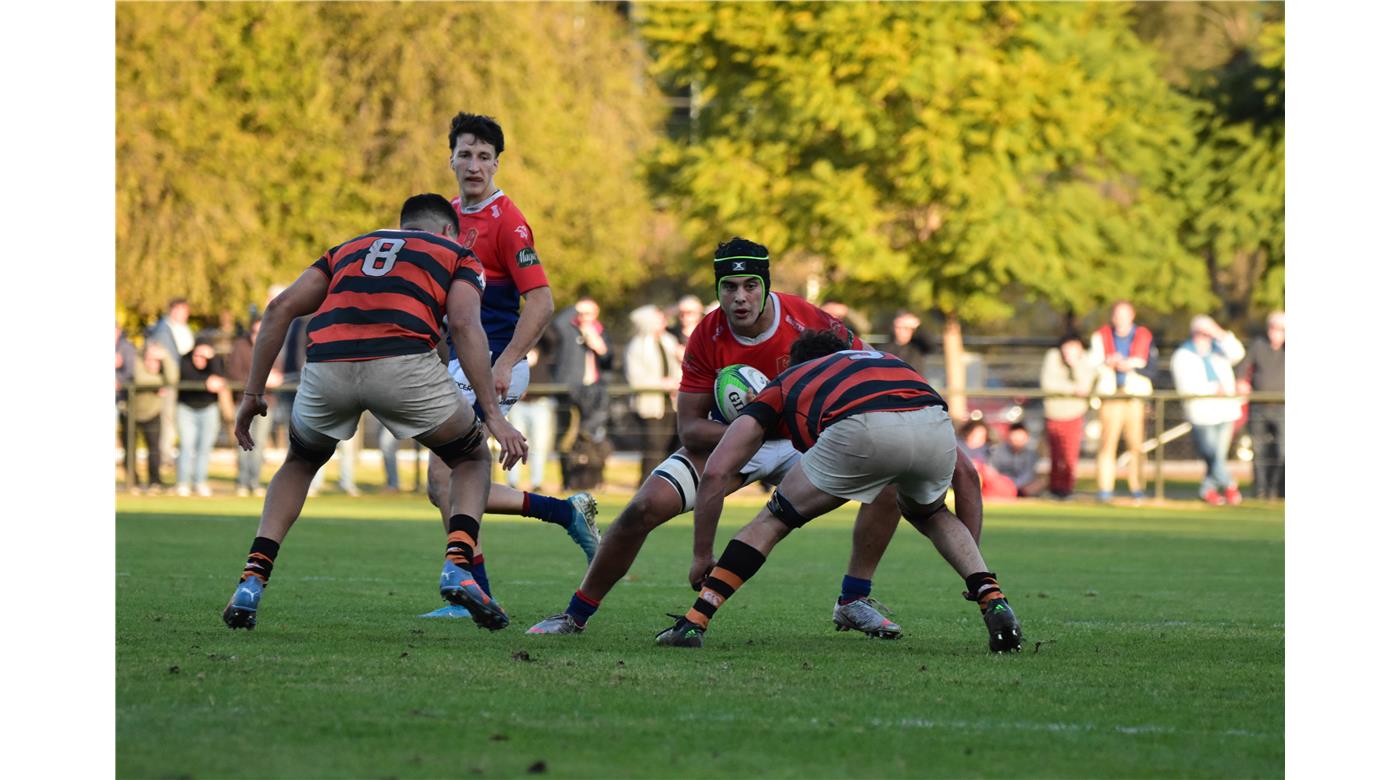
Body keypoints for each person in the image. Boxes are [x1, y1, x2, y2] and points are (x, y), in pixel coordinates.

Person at [527, 238, 910, 639]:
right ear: (717, 289)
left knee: (889, 482)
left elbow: (868, 361)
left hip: (800, 441)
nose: (740, 297)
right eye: (729, 286)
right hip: (736, 439)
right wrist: (750, 426)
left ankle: (853, 600)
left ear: (765, 285)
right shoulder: (706, 335)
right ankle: (575, 615)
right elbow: (690, 429)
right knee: (640, 509)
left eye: (750, 285)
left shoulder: (804, 317)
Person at [222, 193, 527, 632]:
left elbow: (279, 309)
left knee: (300, 463)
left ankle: (252, 579)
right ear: (448, 231)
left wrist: (251, 394)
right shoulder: (458, 255)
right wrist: (494, 415)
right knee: (471, 457)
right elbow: (463, 324)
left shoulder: (347, 249)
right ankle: (458, 565)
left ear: (403, 226)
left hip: (327, 363)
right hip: (402, 363)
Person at [653, 330, 1022, 652]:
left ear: (793, 365)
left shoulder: (790, 379)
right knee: (932, 514)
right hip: (932, 421)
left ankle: (694, 621)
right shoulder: (889, 362)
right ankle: (993, 597)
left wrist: (702, 554)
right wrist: (974, 566)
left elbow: (717, 470)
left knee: (773, 520)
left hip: (860, 428)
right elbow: (969, 476)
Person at [420, 113, 599, 621]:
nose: (473, 165)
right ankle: (559, 517)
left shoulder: (507, 220)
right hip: (460, 364)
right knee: (443, 485)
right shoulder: (448, 217)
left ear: (496, 163)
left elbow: (541, 301)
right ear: (450, 159)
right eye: (465, 154)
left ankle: (472, 591)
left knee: (443, 475)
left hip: (493, 362)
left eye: (483, 156)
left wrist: (506, 362)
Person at [1170, 315, 1246, 506]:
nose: (1206, 337)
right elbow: (1185, 386)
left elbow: (1238, 352)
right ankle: (1230, 485)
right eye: (1202, 333)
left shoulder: (1219, 351)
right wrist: (1213, 389)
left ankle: (1207, 490)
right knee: (1212, 455)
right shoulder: (1182, 355)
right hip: (1202, 413)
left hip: (1225, 411)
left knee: (1218, 456)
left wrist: (1219, 332)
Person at [1088, 300, 1154, 502]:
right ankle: (1105, 490)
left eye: (1125, 314)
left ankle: (1137, 488)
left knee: (1136, 445)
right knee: (1107, 444)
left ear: (1132, 315)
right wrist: (1109, 364)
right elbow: (1093, 363)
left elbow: (1151, 367)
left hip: (1134, 396)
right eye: (1117, 314)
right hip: (1110, 395)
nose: (1121, 319)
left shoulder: (1143, 336)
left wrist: (1130, 366)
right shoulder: (1101, 336)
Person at [624, 304, 682, 483]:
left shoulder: (669, 341)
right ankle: (647, 485)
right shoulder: (637, 346)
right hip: (650, 404)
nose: (663, 321)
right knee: (653, 447)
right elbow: (635, 379)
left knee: (670, 446)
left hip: (671, 403)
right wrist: (662, 384)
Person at [227, 317, 284, 496]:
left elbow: (278, 375)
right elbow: (234, 375)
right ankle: (242, 482)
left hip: (267, 403)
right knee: (243, 442)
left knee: (259, 444)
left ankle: (254, 481)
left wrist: (273, 381)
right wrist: (263, 382)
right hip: (244, 402)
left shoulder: (273, 346)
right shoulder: (240, 346)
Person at [1039, 334, 1095, 498]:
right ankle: (1054, 488)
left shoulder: (1084, 360)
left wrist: (1075, 365)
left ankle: (1067, 488)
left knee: (1070, 454)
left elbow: (1085, 386)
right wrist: (1071, 390)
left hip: (1074, 413)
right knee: (1055, 454)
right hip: (1054, 412)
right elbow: (1048, 384)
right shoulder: (1052, 357)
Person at [1237, 311, 1285, 499]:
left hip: (1282, 407)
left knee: (1282, 450)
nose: (1276, 333)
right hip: (1260, 406)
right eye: (1274, 329)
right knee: (1259, 451)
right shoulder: (1258, 345)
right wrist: (1241, 381)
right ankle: (1260, 490)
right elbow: (1243, 367)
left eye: (1281, 330)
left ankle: (1277, 490)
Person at [175, 338, 227, 497]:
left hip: (209, 408)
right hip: (186, 408)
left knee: (204, 447)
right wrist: (206, 382)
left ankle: (200, 482)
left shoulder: (216, 361)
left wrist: (212, 360)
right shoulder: (184, 359)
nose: (200, 359)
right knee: (186, 445)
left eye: (205, 357)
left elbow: (220, 377)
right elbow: (187, 377)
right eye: (198, 355)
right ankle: (183, 482)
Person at [123, 342, 178, 491]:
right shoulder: (137, 361)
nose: (152, 363)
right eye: (150, 358)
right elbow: (141, 379)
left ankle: (155, 482)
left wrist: (165, 357)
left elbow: (173, 379)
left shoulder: (163, 365)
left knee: (154, 450)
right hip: (132, 413)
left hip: (153, 413)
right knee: (130, 450)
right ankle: (133, 482)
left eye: (156, 360)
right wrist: (160, 384)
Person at [148, 298, 195, 467]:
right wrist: (160, 381)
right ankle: (165, 458)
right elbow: (158, 357)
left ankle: (173, 456)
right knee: (167, 421)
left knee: (176, 421)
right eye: (183, 310)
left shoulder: (183, 329)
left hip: (181, 381)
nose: (186, 314)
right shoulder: (163, 330)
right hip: (169, 383)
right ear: (174, 310)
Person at [959, 419, 1018, 500]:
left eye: (982, 436)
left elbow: (991, 471)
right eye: (975, 434)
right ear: (968, 433)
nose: (978, 438)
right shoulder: (959, 447)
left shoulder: (987, 450)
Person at [989, 423, 1045, 498]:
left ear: (1026, 438)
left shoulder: (1031, 455)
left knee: (1040, 483)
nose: (1017, 441)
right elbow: (992, 471)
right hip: (1001, 485)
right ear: (1008, 437)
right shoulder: (998, 452)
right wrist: (1005, 484)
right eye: (1015, 438)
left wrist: (1013, 486)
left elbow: (1028, 475)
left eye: (1020, 439)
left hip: (1023, 487)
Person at [885, 310, 933, 374]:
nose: (901, 331)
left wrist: (918, 326)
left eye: (905, 328)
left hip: (914, 382)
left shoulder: (917, 346)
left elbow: (931, 345)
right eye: (898, 327)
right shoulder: (886, 349)